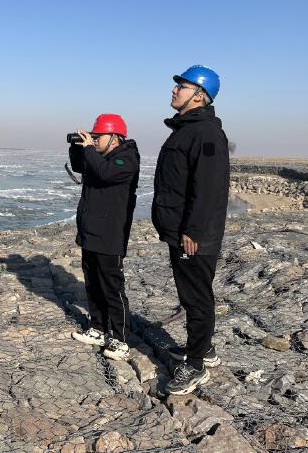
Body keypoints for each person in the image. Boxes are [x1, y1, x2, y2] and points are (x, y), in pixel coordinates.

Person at [152, 65, 230, 395]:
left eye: (181, 86)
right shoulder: (186, 129)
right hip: (182, 230)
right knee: (191, 294)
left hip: (195, 235)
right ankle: (204, 348)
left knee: (196, 298)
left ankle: (196, 364)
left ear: (199, 95)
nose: (174, 90)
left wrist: (193, 231)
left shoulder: (206, 133)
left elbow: (208, 187)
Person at [69, 114, 140, 361]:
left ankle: (121, 340)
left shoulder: (126, 159)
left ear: (114, 138)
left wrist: (90, 149)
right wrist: (77, 147)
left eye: (99, 136)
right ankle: (98, 328)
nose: (95, 139)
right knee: (93, 284)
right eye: (94, 136)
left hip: (111, 235)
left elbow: (104, 173)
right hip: (90, 232)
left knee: (112, 288)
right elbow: (80, 167)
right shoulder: (99, 157)